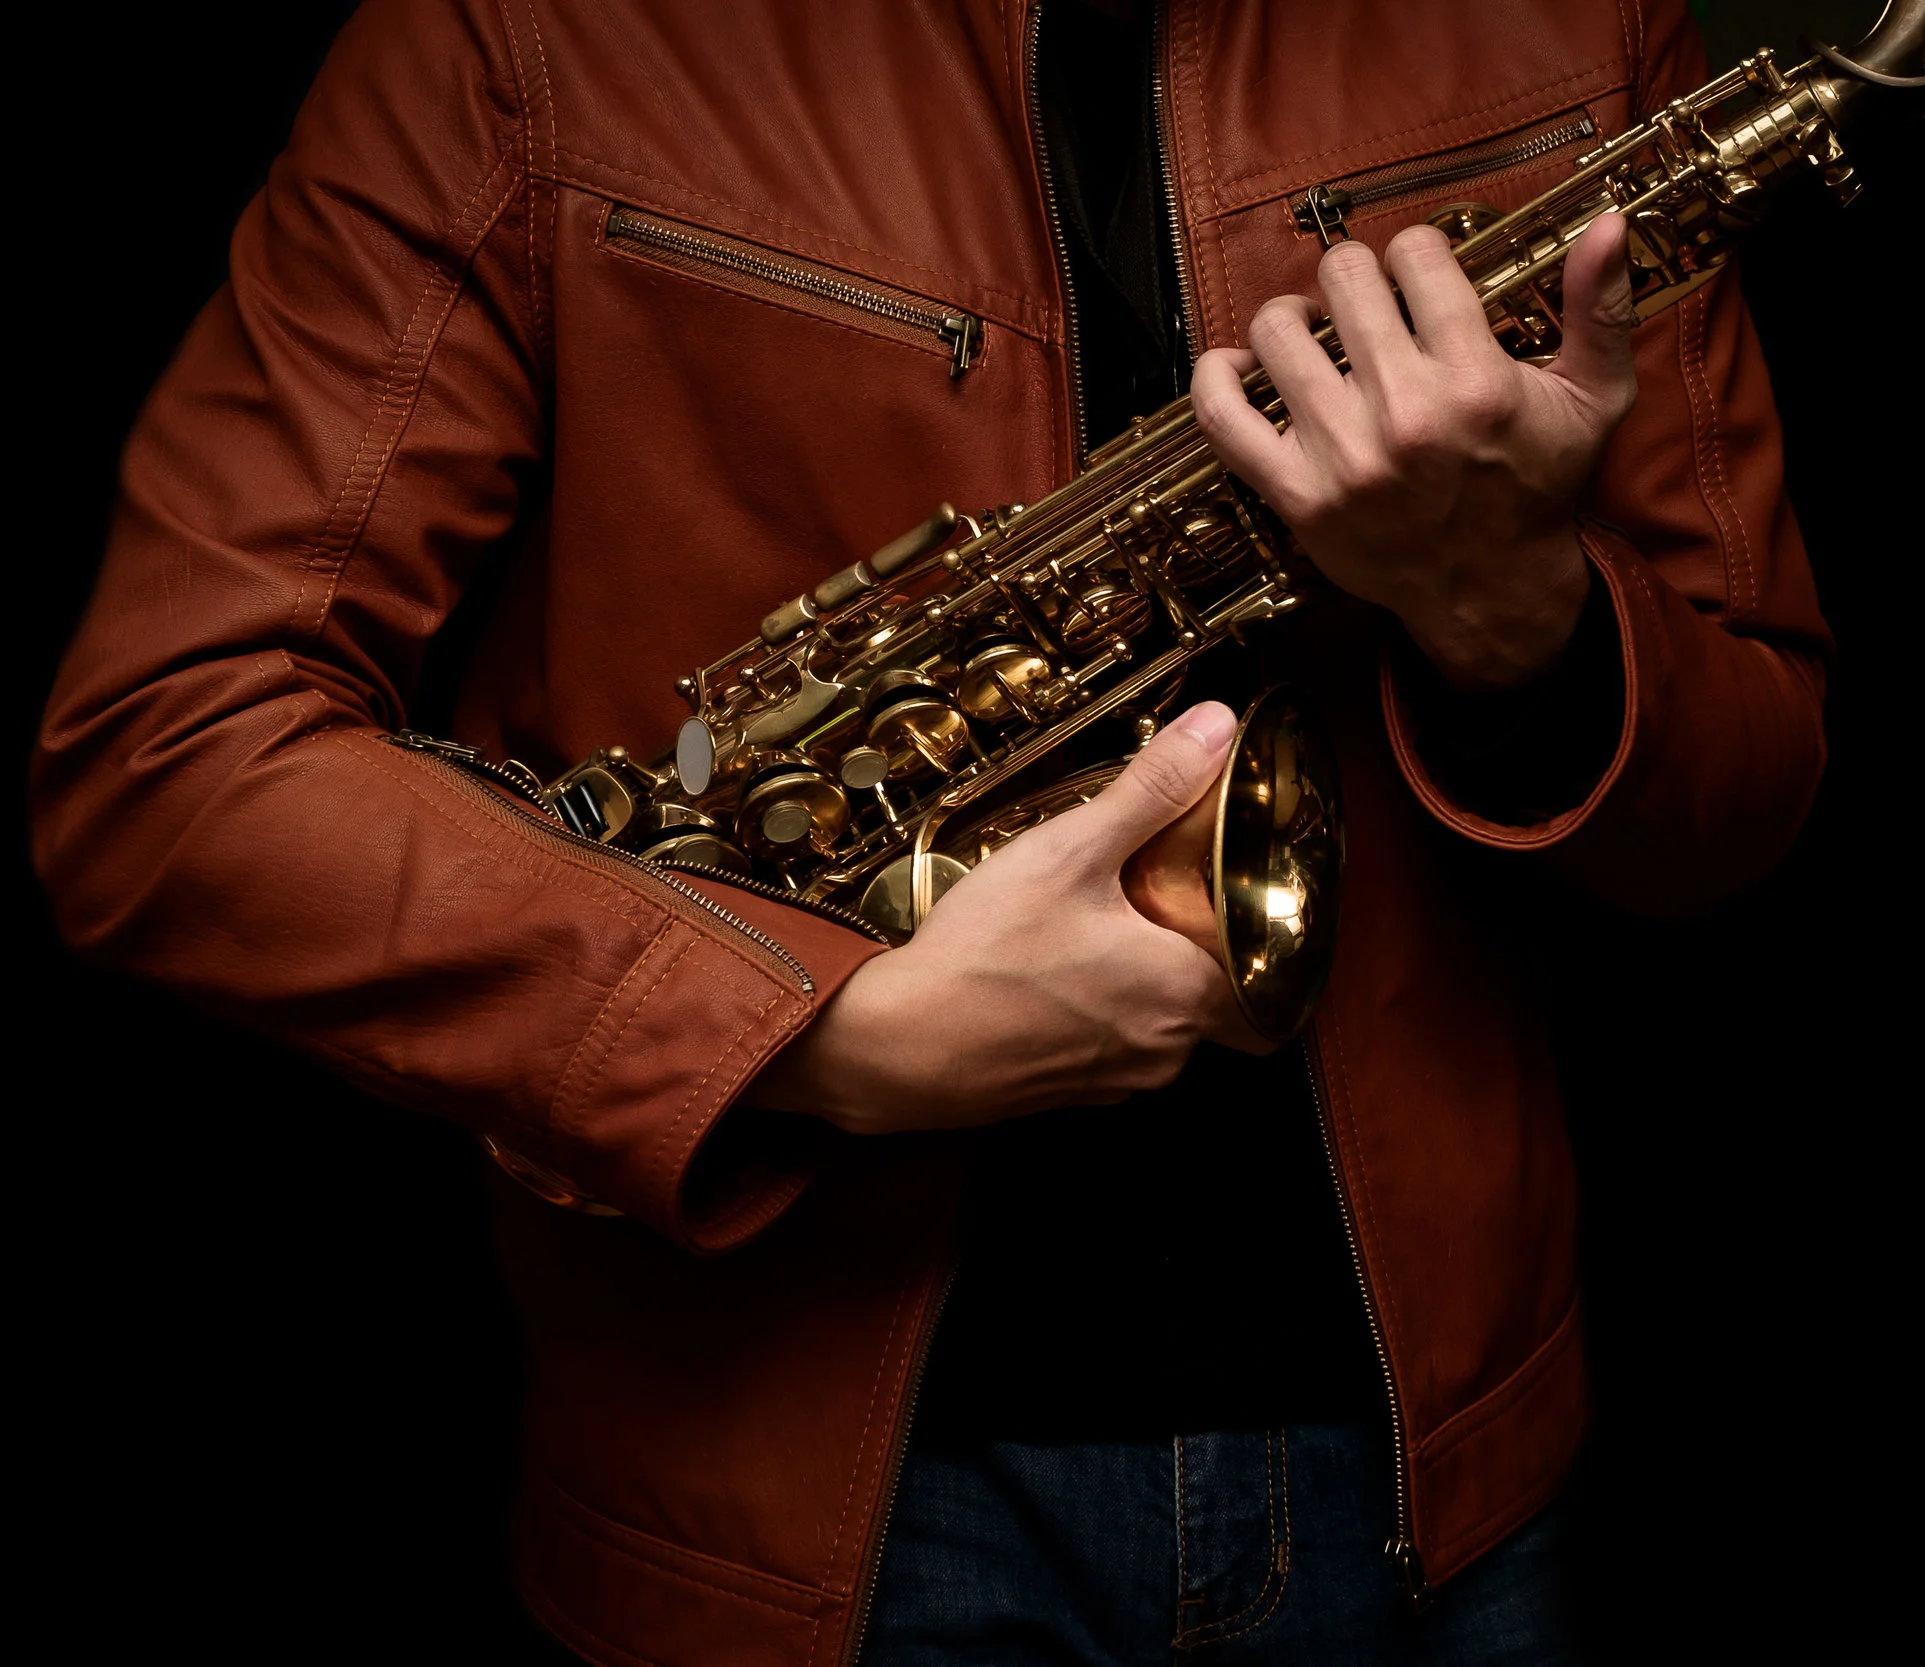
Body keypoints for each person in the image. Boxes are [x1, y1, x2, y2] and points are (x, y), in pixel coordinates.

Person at [31, 0, 1829, 1660]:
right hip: (807, 1525)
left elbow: (1739, 810)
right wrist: (816, 1037)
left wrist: (1516, 612)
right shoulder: (517, 37)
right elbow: (166, 758)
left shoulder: (1566, 18)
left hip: (1444, 1494)